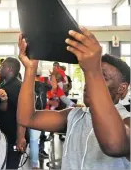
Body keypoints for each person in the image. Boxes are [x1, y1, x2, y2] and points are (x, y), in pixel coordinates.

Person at [17, 27, 130, 170]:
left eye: (103, 78)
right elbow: (26, 118)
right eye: (89, 76)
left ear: (122, 88)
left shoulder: (127, 121)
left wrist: (93, 70)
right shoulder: (75, 115)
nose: (89, 82)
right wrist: (30, 69)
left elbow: (114, 145)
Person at [0, 57, 28, 169]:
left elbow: (22, 113)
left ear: (9, 69)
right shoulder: (7, 86)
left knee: (10, 165)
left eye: (2, 66)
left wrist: (20, 137)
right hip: (7, 135)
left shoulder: (15, 87)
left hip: (13, 135)